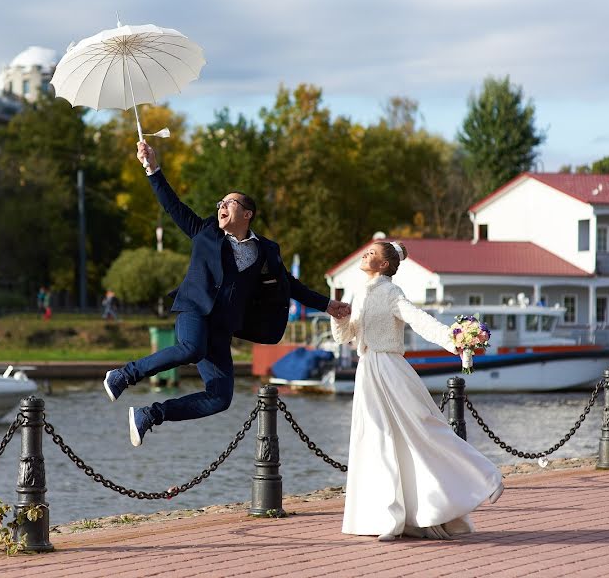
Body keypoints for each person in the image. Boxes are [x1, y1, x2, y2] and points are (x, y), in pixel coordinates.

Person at [103, 141, 351, 447]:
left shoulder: (265, 252)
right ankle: (124, 375)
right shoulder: (205, 231)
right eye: (220, 202)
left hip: (222, 327)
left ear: (246, 214)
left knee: (220, 398)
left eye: (229, 202)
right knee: (192, 348)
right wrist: (152, 168)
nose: (221, 205)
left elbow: (290, 285)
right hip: (194, 310)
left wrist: (327, 304)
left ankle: (149, 415)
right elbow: (173, 206)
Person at [330, 241, 503, 542]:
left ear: (384, 265)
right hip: (367, 370)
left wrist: (457, 340)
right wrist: (340, 316)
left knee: (422, 429)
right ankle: (388, 515)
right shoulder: (360, 293)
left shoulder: (391, 293)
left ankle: (485, 475)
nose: (364, 255)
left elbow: (421, 322)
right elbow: (346, 336)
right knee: (374, 438)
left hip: (390, 370)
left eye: (371, 253)